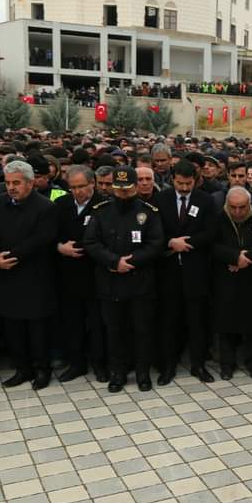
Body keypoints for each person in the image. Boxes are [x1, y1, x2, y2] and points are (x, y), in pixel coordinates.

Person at [83, 165, 165, 393]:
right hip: (110, 283)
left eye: (127, 190)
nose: (123, 194)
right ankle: (117, 373)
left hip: (140, 282)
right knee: (114, 331)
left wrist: (133, 261)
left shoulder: (148, 211)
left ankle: (142, 373)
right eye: (119, 190)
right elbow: (91, 242)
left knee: (142, 330)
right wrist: (113, 261)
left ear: (136, 187)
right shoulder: (101, 211)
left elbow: (156, 243)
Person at [0, 160, 59, 389]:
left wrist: (12, 256)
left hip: (35, 276)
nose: (11, 187)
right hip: (7, 275)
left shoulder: (45, 207)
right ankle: (22, 369)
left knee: (37, 329)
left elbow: (42, 239)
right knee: (13, 327)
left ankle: (42, 369)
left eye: (16, 183)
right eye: (8, 183)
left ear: (29, 183)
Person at [156, 159, 218, 384]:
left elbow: (211, 232)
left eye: (188, 183)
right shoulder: (161, 199)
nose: (184, 188)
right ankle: (168, 366)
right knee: (169, 321)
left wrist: (187, 243)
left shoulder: (206, 201)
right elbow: (154, 232)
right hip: (168, 272)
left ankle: (198, 365)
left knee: (197, 322)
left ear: (195, 180)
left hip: (196, 271)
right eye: (180, 183)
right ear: (173, 179)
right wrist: (171, 242)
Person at [54, 164, 107, 383]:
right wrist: (59, 247)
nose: (77, 191)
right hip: (68, 274)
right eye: (73, 187)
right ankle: (76, 363)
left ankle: (100, 364)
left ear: (92, 183)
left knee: (97, 324)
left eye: (82, 186)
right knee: (72, 322)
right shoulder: (61, 204)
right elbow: (49, 234)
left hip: (95, 274)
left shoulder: (104, 206)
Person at [211, 186, 252, 380]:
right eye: (233, 207)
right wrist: (233, 257)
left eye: (242, 207)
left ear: (249, 204)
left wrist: (245, 259)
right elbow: (211, 244)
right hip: (225, 280)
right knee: (226, 325)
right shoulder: (217, 219)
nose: (237, 212)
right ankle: (227, 364)